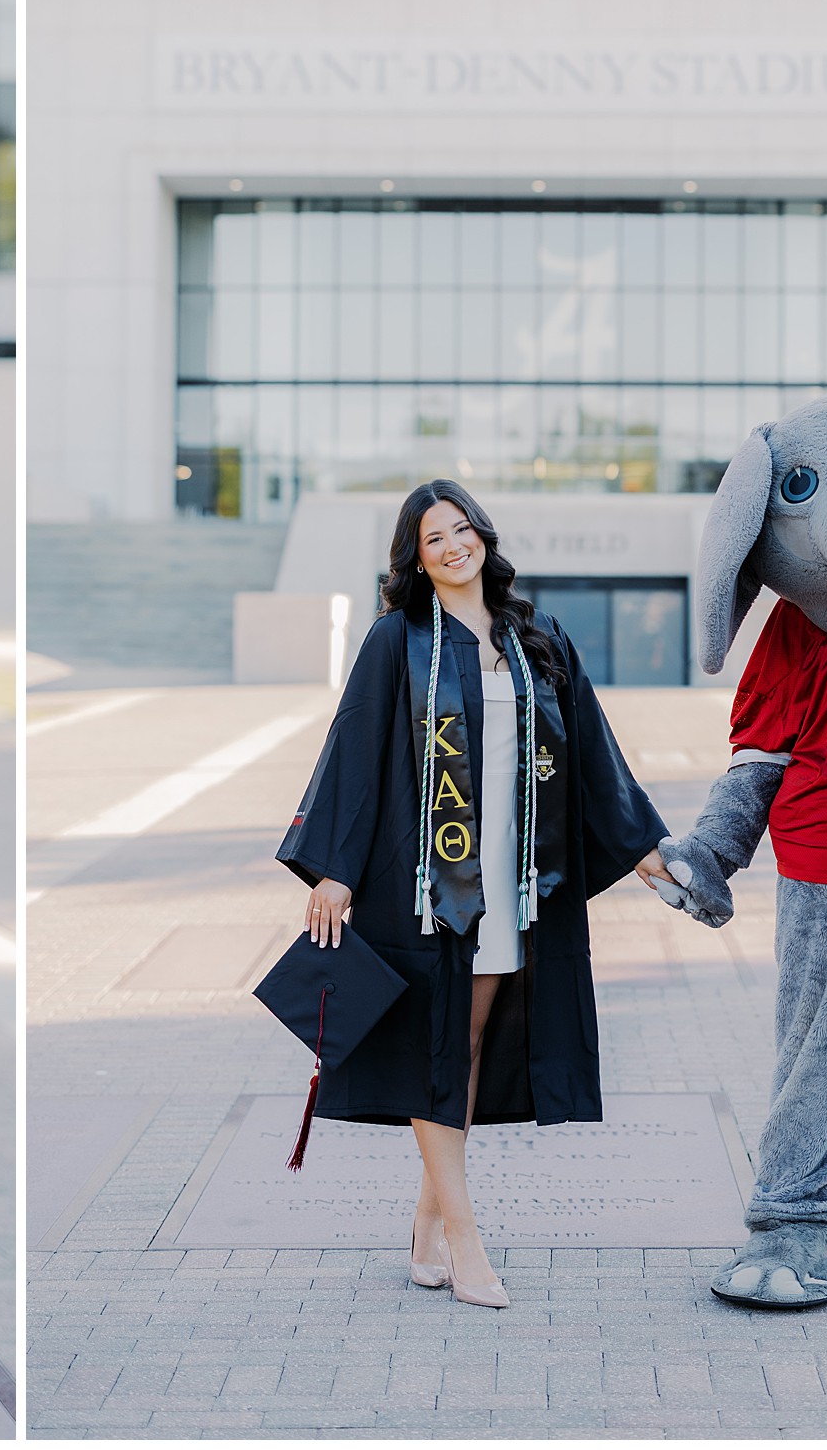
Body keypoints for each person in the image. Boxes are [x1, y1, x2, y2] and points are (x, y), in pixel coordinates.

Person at [277, 479, 672, 1305]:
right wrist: (334, 868)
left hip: (519, 877)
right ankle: (465, 1236)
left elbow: (594, 747)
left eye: (462, 529)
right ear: (415, 559)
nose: (454, 546)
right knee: (438, 1051)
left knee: (473, 1044)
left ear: (482, 535)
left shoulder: (536, 634)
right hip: (426, 883)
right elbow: (354, 748)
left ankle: (424, 1222)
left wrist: (642, 848)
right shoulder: (399, 641)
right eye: (434, 539)